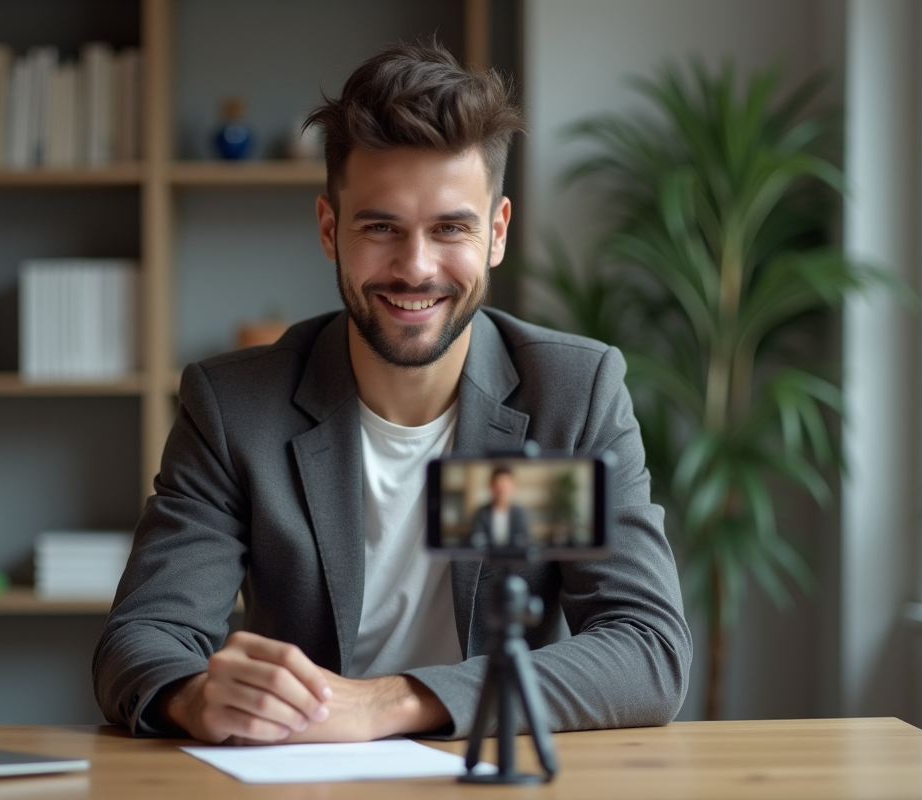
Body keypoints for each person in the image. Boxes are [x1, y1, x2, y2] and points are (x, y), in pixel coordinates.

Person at [93, 42, 691, 745]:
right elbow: (141, 640)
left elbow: (646, 647)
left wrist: (390, 703)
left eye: (450, 229)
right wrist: (194, 697)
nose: (415, 268)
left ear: (496, 233)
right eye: (380, 228)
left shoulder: (572, 393)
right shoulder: (233, 408)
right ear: (329, 231)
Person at [468, 466, 531, 549]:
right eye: (498, 486)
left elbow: (524, 542)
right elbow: (477, 541)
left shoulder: (520, 514)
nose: (501, 490)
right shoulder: (481, 513)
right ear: (491, 486)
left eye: (505, 486)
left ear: (513, 486)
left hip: (514, 560)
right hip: (487, 560)